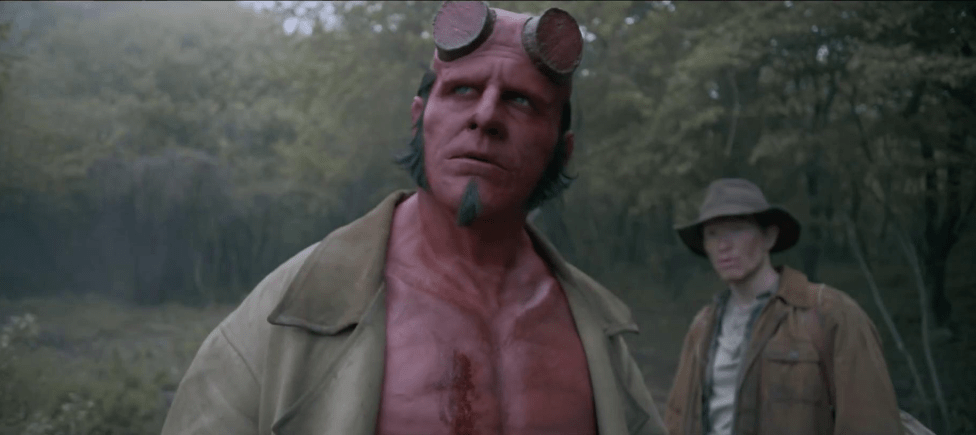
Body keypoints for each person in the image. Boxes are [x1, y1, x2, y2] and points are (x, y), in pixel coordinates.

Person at [162, 2, 666, 434]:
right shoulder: (293, 310)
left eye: (521, 101)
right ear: (419, 119)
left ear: (562, 149)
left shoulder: (598, 336)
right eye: (463, 90)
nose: (486, 116)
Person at [663, 178, 903, 435]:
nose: (723, 245)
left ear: (769, 237)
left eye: (736, 229)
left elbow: (871, 424)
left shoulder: (830, 314)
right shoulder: (703, 326)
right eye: (712, 234)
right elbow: (677, 419)